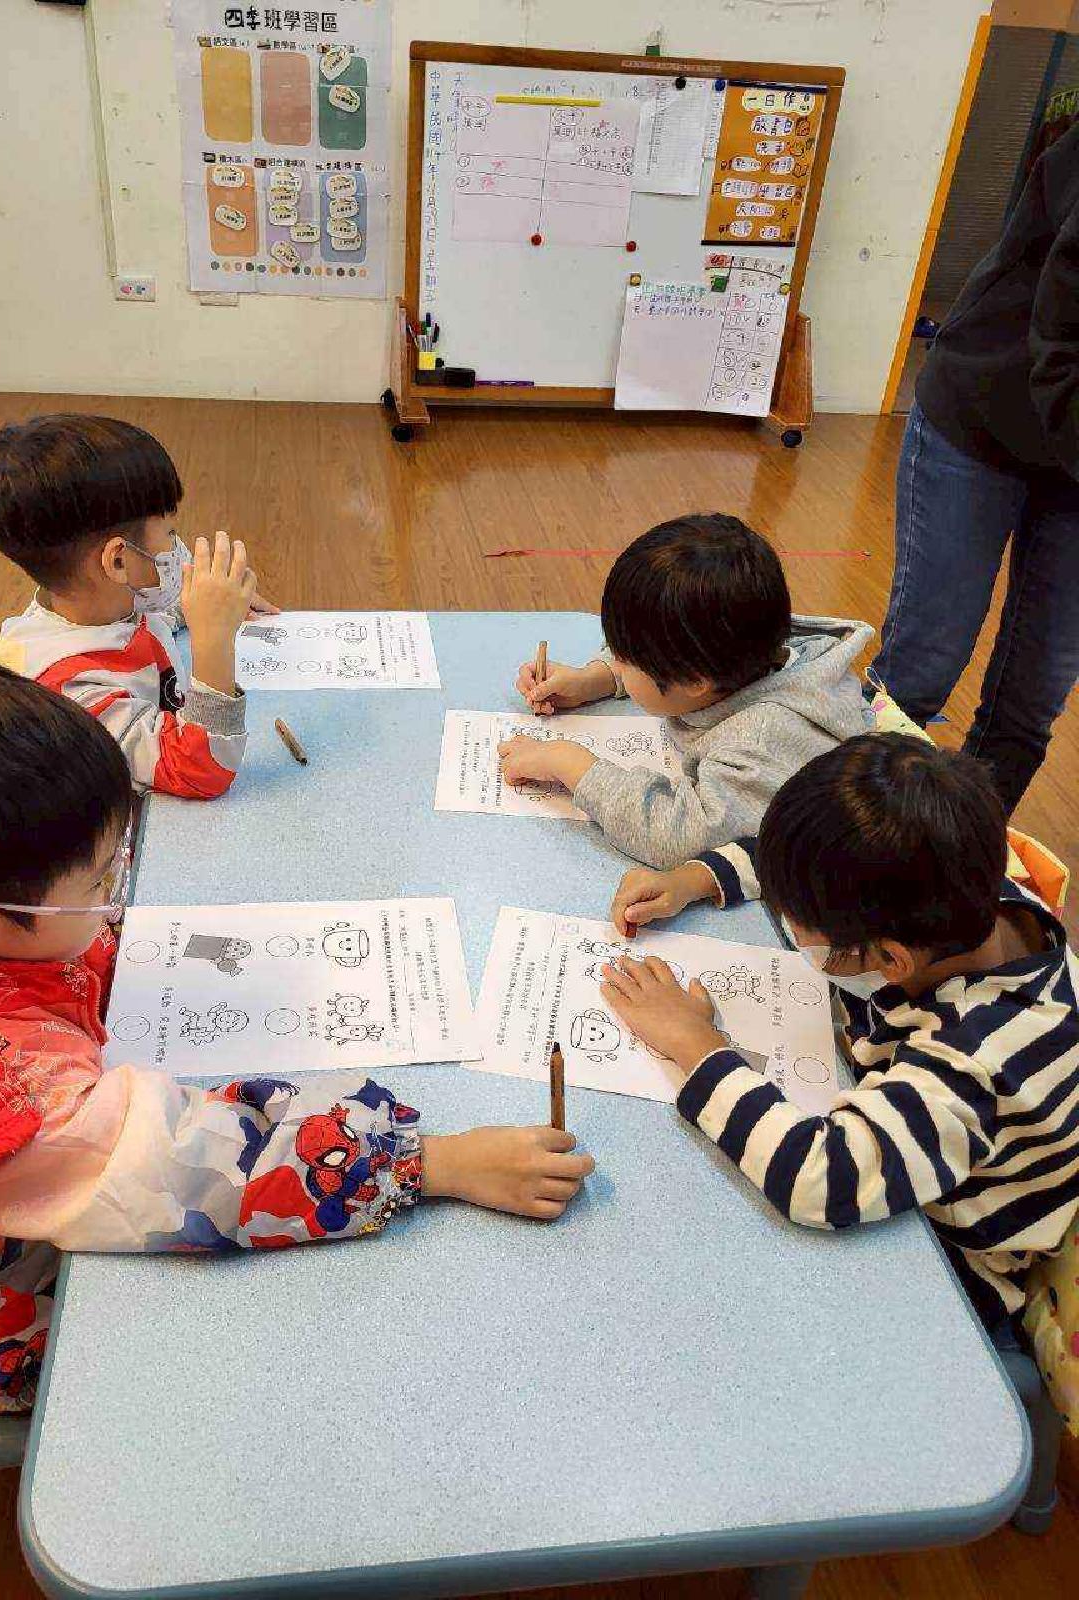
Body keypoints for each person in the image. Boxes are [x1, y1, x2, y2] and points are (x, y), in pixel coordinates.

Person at [0, 658, 594, 1416]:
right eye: (95, 881)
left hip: (24, 1184)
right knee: (249, 1345)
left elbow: (80, 944)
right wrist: (430, 1162)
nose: (114, 888)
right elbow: (198, 1167)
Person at [603, 733, 1079, 1330]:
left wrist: (694, 1044)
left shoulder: (974, 1063)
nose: (790, 924)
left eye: (804, 932)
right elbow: (797, 865)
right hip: (900, 1123)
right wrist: (694, 878)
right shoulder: (963, 887)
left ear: (890, 959)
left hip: (947, 1269)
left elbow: (818, 1179)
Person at [872, 122, 1079, 814]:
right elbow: (1065, 332)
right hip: (985, 410)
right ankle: (847, 850)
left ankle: (950, 866)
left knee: (1030, 700)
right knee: (921, 668)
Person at [500, 514, 873, 867]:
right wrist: (593, 679)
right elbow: (667, 654)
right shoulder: (739, 643)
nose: (614, 659)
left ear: (694, 682)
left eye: (624, 659)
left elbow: (677, 837)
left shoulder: (761, 741)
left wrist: (569, 764)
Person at [0, 413, 274, 800]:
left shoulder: (98, 603)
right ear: (118, 561)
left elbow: (153, 617)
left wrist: (203, 603)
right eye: (169, 533)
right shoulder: (74, 695)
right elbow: (198, 770)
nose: (177, 545)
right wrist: (214, 639)